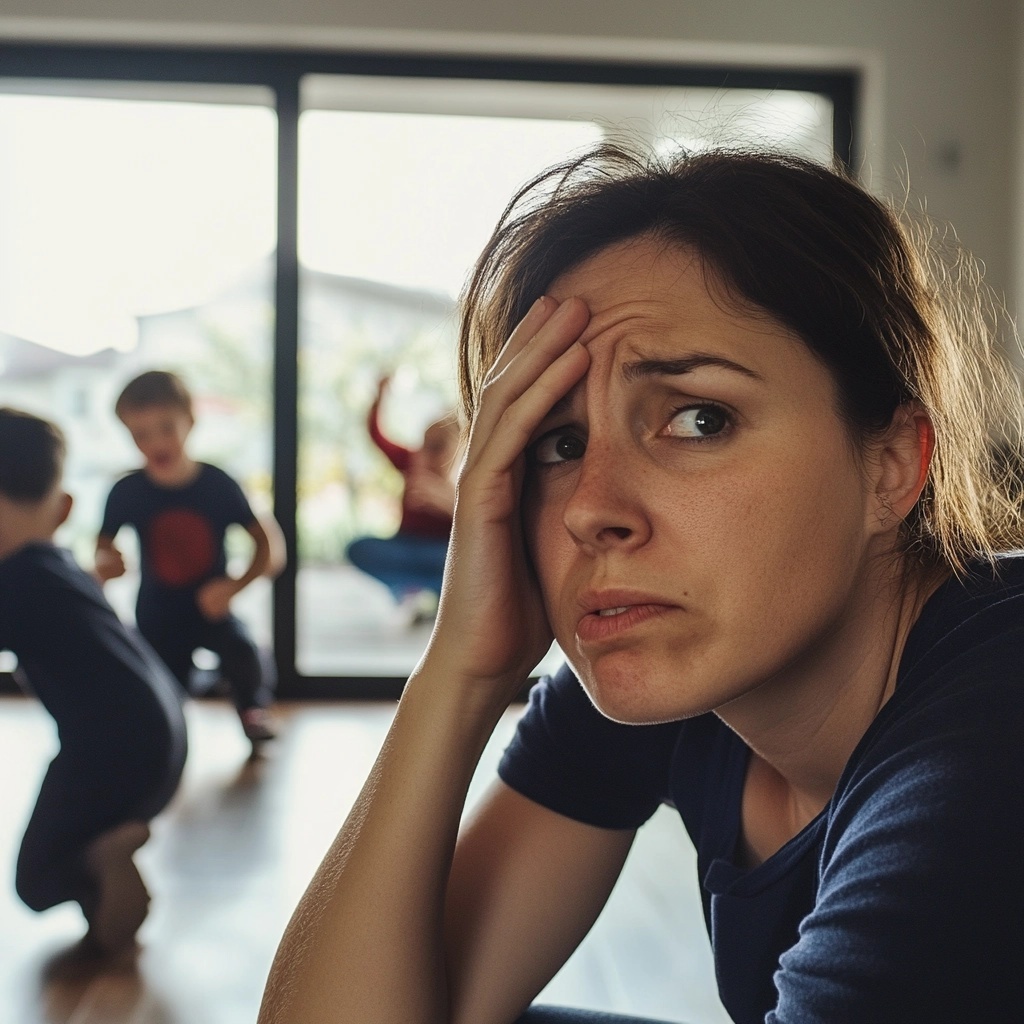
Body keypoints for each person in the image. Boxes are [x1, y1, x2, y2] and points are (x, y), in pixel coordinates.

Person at [257, 145, 1024, 1024]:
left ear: (891, 464)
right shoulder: (685, 663)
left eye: (699, 419)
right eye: (558, 442)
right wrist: (460, 674)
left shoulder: (996, 747)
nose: (591, 510)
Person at [0, 407, 187, 957]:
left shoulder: (13, 581)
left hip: (110, 753)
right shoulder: (57, 567)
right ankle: (104, 876)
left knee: (34, 881)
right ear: (62, 509)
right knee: (69, 834)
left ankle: (100, 863)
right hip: (162, 739)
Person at [95, 370, 285, 751]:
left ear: (190, 421)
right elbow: (103, 547)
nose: (156, 443)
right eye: (140, 434)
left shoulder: (218, 485)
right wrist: (107, 562)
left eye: (166, 428)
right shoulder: (125, 491)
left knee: (244, 652)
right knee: (153, 690)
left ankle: (252, 713)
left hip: (210, 609)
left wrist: (233, 586)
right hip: (155, 614)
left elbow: (270, 547)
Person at [345, 374, 459, 622]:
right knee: (359, 548)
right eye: (424, 443)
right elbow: (376, 435)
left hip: (442, 552)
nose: (425, 453)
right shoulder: (411, 462)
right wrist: (380, 394)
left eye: (437, 446)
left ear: (459, 448)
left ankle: (435, 597)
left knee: (458, 561)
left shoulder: (469, 479)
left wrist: (450, 505)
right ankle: (414, 592)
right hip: (405, 545)